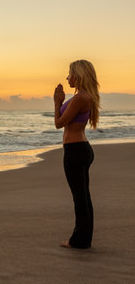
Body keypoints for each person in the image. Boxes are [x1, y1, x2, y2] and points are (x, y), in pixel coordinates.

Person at [53, 59, 100, 249]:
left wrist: (57, 103)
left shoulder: (81, 98)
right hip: (79, 149)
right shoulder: (83, 96)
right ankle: (83, 239)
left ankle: (79, 240)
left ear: (79, 75)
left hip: (76, 151)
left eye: (70, 73)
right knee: (82, 196)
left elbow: (59, 123)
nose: (67, 77)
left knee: (80, 197)